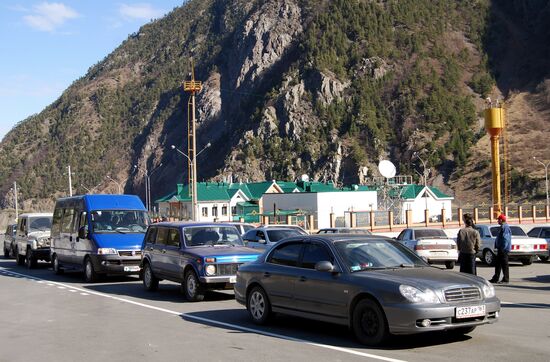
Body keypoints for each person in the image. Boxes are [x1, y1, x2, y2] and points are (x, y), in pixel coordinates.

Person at [489, 213, 511, 284]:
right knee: (498, 264)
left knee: (504, 264)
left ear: (502, 220)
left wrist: (503, 248)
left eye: (498, 219)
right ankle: (495, 278)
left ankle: (505, 279)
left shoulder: (505, 227)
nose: (497, 221)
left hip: (503, 249)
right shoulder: (502, 227)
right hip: (500, 248)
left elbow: (506, 239)